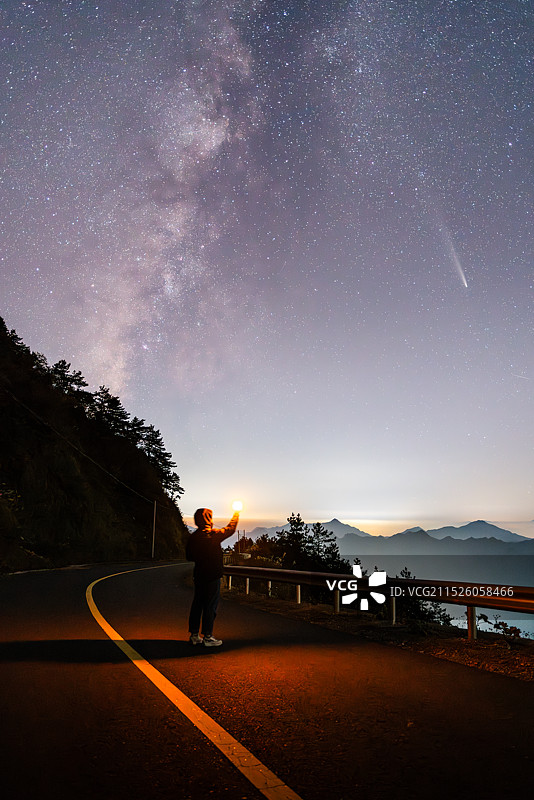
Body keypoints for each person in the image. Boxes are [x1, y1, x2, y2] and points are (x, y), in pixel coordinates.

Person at [186, 507, 239, 647]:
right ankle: (208, 636)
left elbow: (189, 556)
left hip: (199, 575)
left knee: (197, 604)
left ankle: (194, 635)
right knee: (210, 605)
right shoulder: (214, 534)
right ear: (209, 519)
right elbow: (230, 529)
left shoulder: (194, 537)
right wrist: (236, 513)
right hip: (213, 575)